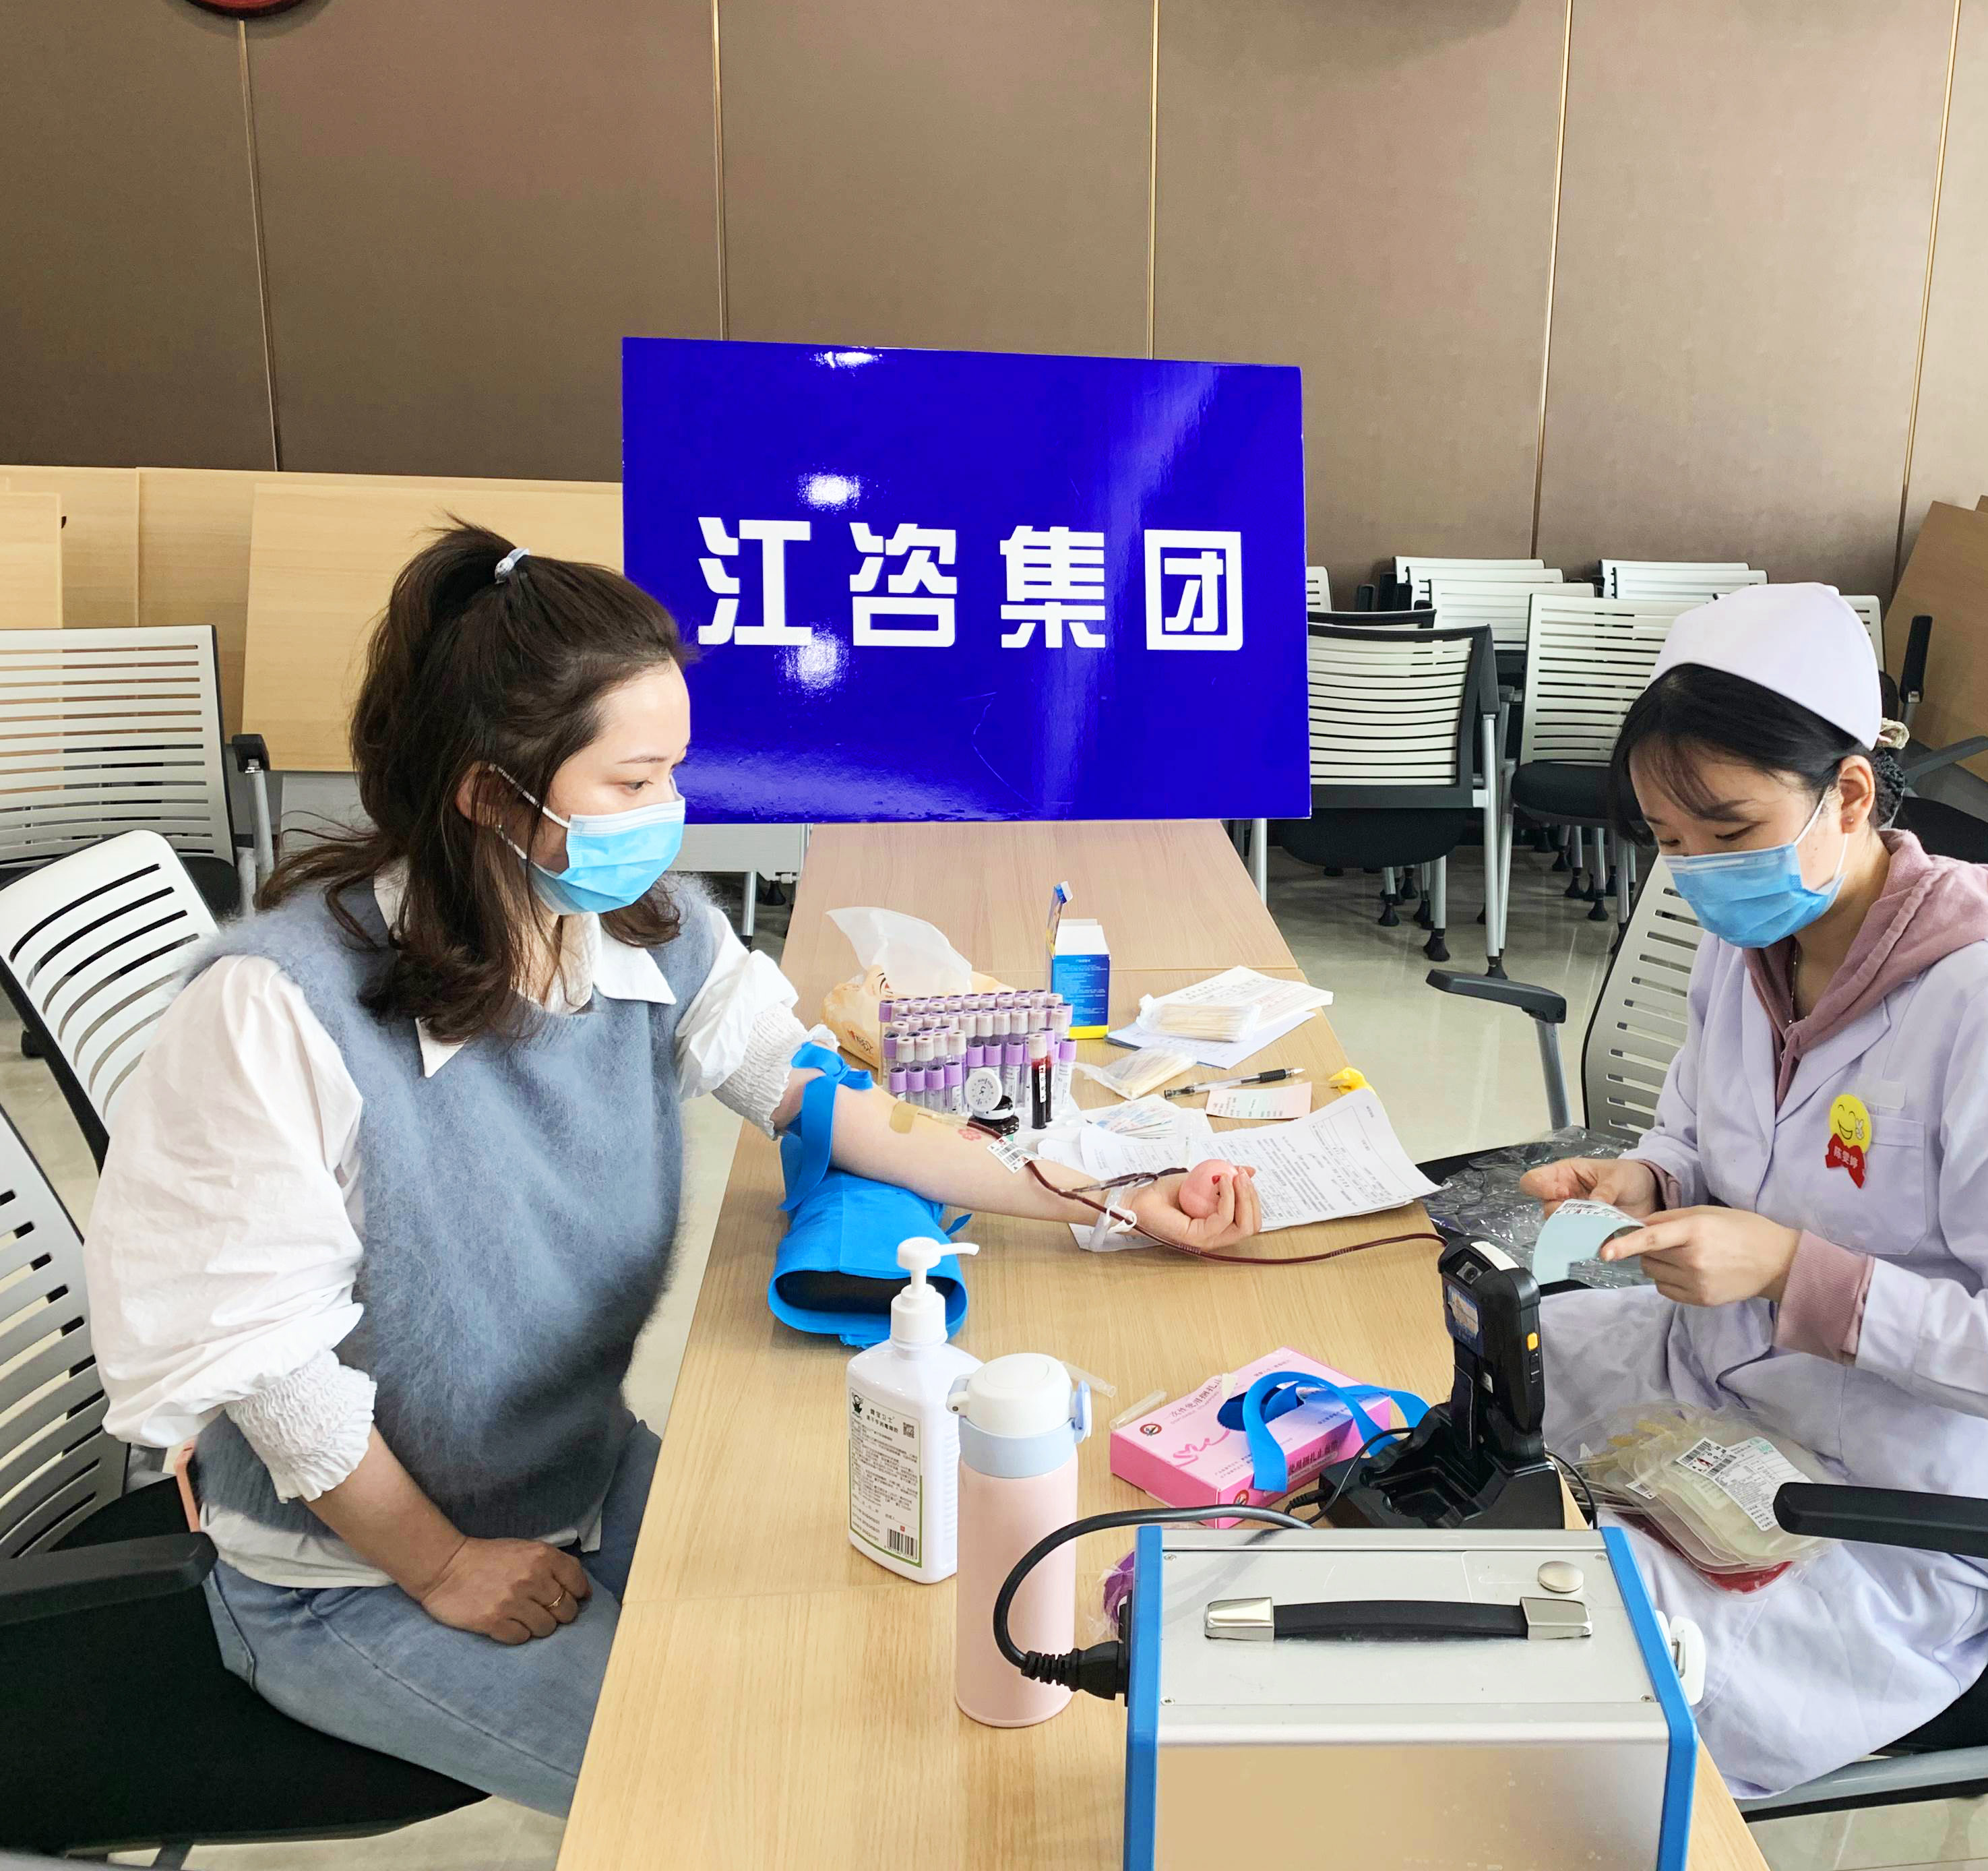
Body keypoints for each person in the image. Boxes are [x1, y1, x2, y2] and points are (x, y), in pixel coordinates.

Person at [82, 526, 1262, 1816]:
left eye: (674, 772)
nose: (669, 811)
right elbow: (275, 1374)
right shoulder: (278, 1012)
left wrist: (1103, 1198)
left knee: (869, 1668)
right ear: (490, 795)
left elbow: (827, 1099)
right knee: (725, 1798)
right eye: (633, 779)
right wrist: (443, 1566)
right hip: (353, 1567)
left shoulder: (633, 934)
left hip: (572, 1479)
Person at [1523, 582, 1988, 1799]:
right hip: (1707, 1389)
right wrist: (1648, 1176)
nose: (1696, 874)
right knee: (1453, 1416)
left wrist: (1792, 1274)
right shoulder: (1750, 948)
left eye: (1728, 830)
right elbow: (1701, 1128)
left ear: (1850, 795)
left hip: (1876, 1508)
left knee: (1569, 1680)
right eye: (1666, 839)